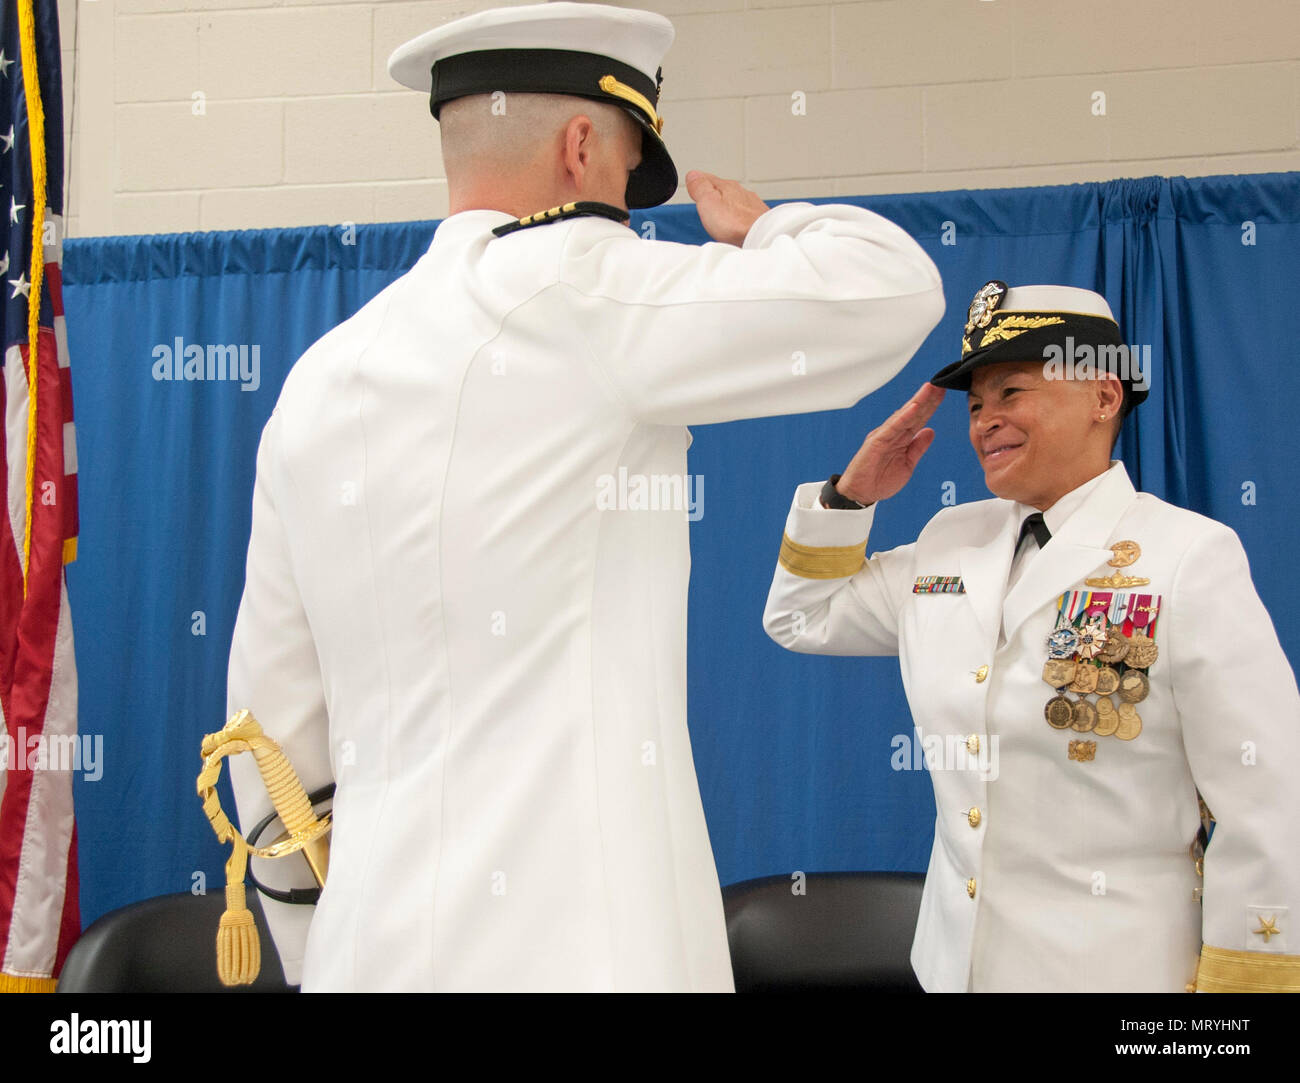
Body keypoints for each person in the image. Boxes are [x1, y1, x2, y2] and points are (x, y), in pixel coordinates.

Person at [225, 2, 944, 992]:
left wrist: (320, 952)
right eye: (622, 170)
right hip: (587, 954)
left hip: (364, 952)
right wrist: (768, 228)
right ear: (578, 147)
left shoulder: (318, 381)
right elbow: (890, 287)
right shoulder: (580, 289)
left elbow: (268, 739)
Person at [762, 280, 1300, 993]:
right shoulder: (953, 541)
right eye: (977, 404)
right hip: (957, 972)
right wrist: (848, 497)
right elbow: (803, 617)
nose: (985, 421)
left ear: (1103, 397)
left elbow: (1267, 800)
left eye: (1012, 392)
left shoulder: (1188, 555)